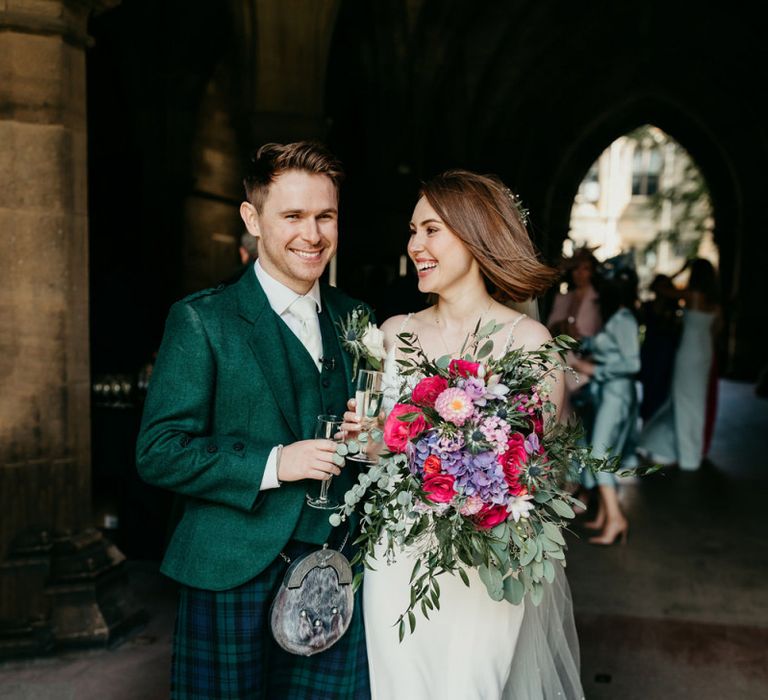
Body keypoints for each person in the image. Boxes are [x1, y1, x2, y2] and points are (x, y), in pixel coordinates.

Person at [136, 141, 370, 699]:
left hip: (336, 566)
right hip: (230, 568)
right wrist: (275, 463)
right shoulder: (202, 320)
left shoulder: (356, 318)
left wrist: (373, 439)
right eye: (292, 216)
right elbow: (159, 450)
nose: (311, 235)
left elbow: (369, 443)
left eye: (325, 216)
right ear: (252, 218)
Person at [347, 170, 582, 699]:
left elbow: (531, 472)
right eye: (412, 231)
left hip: (486, 559)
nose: (414, 246)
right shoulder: (391, 335)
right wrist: (361, 437)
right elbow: (369, 447)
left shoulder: (530, 342)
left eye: (431, 230)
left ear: (473, 234)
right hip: (398, 554)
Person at [570, 264, 640, 546]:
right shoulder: (616, 319)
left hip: (616, 394)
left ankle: (616, 519)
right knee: (595, 450)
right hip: (607, 394)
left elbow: (632, 363)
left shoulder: (623, 319)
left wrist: (589, 368)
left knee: (600, 454)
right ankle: (605, 515)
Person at [638, 258, 721, 471]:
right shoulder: (716, 304)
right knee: (696, 403)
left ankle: (686, 457)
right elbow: (715, 333)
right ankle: (692, 454)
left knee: (683, 401)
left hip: (688, 352)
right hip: (705, 353)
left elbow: (659, 288)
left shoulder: (692, 296)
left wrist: (679, 270)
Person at [547, 248, 602, 422]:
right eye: (576, 268)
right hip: (565, 358)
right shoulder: (562, 298)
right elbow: (549, 329)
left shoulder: (598, 301)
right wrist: (562, 326)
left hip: (588, 361)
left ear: (592, 272)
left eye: (585, 268)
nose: (579, 273)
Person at [638, 274, 681, 421]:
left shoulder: (673, 308)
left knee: (661, 388)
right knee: (649, 388)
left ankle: (655, 421)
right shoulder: (647, 306)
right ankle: (647, 420)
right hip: (651, 350)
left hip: (665, 351)